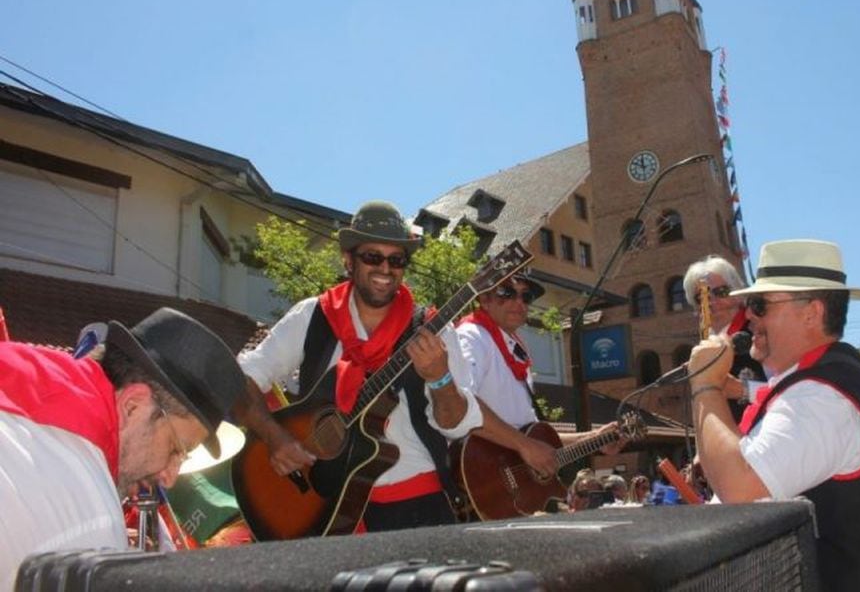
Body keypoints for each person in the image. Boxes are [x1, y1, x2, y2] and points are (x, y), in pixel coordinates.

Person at [232, 200, 482, 533]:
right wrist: (274, 436)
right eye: (372, 257)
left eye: (397, 259)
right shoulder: (313, 317)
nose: (385, 268)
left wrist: (440, 379)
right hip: (321, 507)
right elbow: (241, 379)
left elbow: (456, 426)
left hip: (417, 508)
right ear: (348, 260)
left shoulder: (432, 327)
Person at [687, 239, 860, 589]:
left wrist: (704, 385)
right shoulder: (820, 381)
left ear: (811, 312)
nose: (748, 314)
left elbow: (740, 488)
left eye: (759, 304)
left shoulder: (820, 398)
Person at [0, 308, 245, 590]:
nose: (170, 477)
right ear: (133, 406)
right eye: (175, 449)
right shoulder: (91, 525)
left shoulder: (30, 361)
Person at [454, 272, 623, 487]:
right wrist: (524, 445)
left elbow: (534, 440)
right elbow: (460, 404)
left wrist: (594, 439)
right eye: (507, 292)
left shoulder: (514, 348)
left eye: (526, 296)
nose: (519, 302)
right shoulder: (471, 336)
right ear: (484, 299)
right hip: (481, 478)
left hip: (513, 487)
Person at [683, 255, 766, 423]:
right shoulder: (704, 347)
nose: (711, 302)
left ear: (737, 293)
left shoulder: (762, 333)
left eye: (721, 292)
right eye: (702, 297)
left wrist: (743, 389)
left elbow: (794, 392)